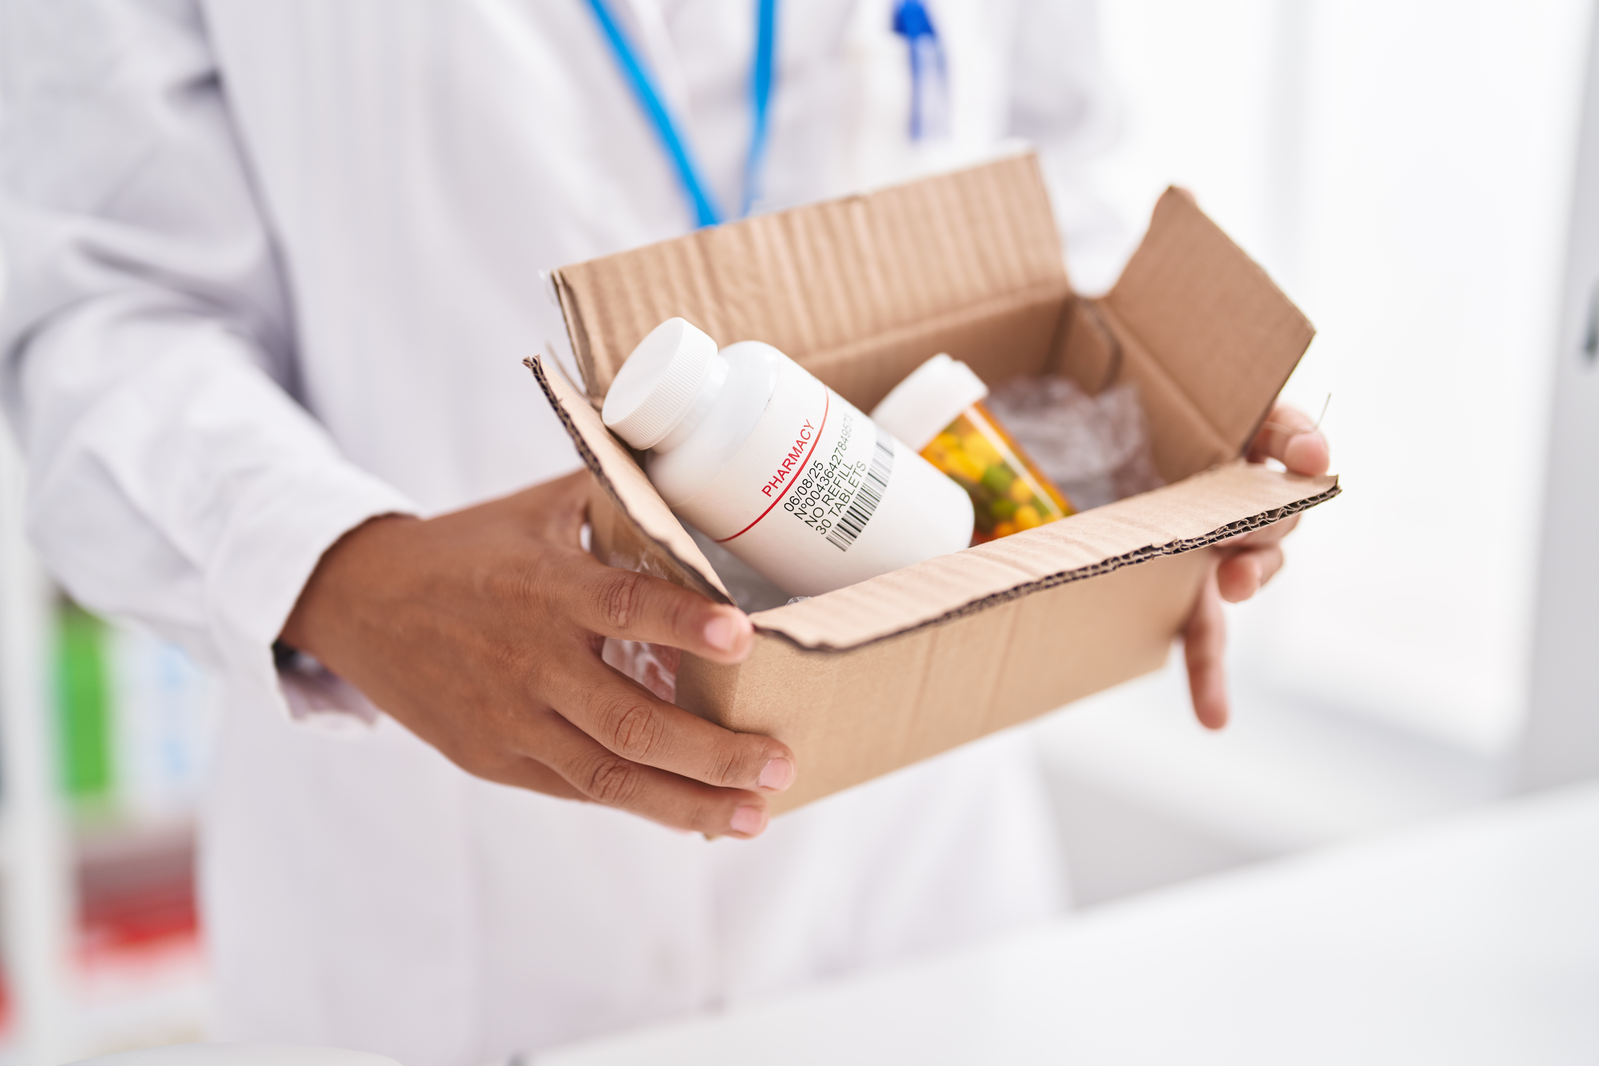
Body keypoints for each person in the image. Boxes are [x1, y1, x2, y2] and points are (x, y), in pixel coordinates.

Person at [0, 1, 1329, 1063]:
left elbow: (1062, 178)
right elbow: (94, 309)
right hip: (435, 909)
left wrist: (1157, 441)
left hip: (912, 886)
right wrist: (342, 567)